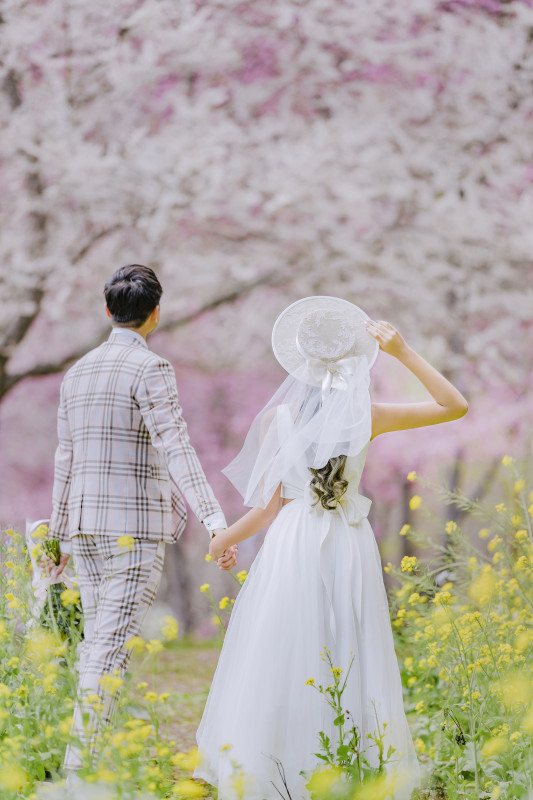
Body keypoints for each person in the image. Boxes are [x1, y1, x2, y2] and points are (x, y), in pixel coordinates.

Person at [195, 296, 468, 800]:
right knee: (349, 642)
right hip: (347, 538)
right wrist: (404, 352)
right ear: (355, 358)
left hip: (292, 541)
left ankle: (278, 766)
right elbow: (455, 405)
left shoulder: (275, 421)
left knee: (285, 645)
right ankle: (355, 766)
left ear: (297, 359)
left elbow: (265, 511)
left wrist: (221, 542)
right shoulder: (370, 414)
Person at [45, 264, 237, 784]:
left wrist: (57, 535)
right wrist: (216, 520)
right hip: (132, 529)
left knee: (98, 642)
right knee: (107, 644)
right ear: (156, 313)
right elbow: (176, 446)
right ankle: (79, 771)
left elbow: (65, 457)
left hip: (83, 529)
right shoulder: (150, 369)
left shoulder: (76, 372)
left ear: (108, 311)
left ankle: (87, 762)